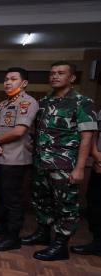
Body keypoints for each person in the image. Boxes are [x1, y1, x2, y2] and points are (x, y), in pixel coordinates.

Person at [22, 61, 97, 261]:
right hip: (41, 162)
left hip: (64, 165)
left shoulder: (82, 102)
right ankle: (43, 233)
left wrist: (80, 168)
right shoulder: (44, 101)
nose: (55, 76)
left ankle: (61, 244)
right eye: (52, 73)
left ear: (72, 78)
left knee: (65, 205)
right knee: (41, 200)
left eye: (61, 73)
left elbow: (87, 137)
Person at [0, 67, 39, 251]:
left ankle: (13, 236)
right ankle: (2, 227)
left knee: (12, 199)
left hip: (16, 159)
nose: (8, 82)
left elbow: (19, 131)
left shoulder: (27, 102)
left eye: (13, 79)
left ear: (24, 83)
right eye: (6, 79)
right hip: (2, 157)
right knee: (0, 196)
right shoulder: (3, 104)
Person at [70, 109, 101, 256]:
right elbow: (94, 132)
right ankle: (98, 243)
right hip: (99, 163)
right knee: (95, 202)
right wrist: (96, 155)